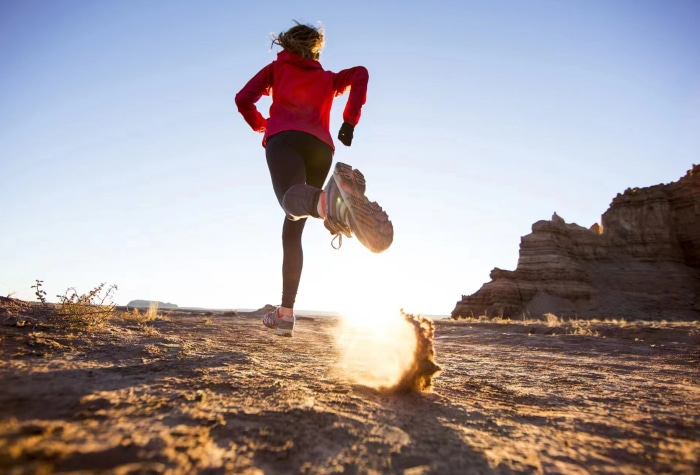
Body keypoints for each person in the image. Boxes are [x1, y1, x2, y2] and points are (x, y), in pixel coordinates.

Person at [235, 21, 392, 337]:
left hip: (285, 140)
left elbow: (243, 99)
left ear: (287, 44)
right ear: (315, 48)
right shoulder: (327, 79)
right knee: (292, 229)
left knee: (291, 203)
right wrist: (349, 121)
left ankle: (332, 205)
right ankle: (285, 314)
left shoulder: (276, 71)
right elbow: (360, 73)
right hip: (321, 148)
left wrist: (264, 125)